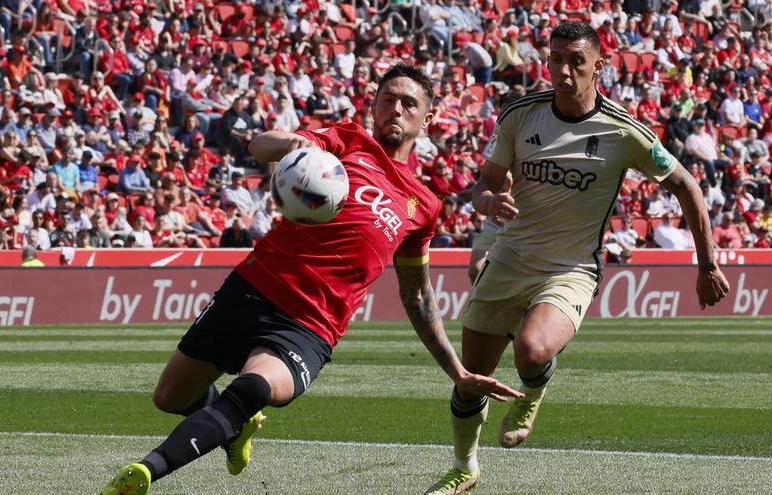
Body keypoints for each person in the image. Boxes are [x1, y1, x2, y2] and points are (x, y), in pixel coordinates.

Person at [101, 64, 521, 495]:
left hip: (310, 324)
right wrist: (292, 143)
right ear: (374, 105)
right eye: (388, 99)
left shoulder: (424, 205)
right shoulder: (347, 142)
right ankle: (236, 427)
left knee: (254, 386)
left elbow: (416, 295)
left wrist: (458, 371)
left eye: (408, 103)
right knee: (170, 397)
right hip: (253, 287)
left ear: (426, 119)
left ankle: (145, 472)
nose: (396, 108)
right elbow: (260, 145)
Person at [425, 22, 731, 495]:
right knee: (470, 381)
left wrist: (706, 263)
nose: (563, 71)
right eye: (556, 60)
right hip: (508, 260)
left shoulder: (624, 131)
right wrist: (488, 203)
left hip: (570, 269)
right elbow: (483, 186)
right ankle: (465, 466)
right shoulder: (520, 116)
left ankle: (533, 391)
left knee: (532, 348)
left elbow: (688, 187)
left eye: (576, 62)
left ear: (599, 67)